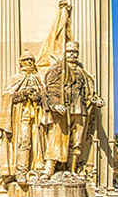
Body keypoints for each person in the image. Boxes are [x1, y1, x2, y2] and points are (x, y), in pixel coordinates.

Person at [42, 42, 104, 177]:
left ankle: (72, 169)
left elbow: (88, 90)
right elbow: (51, 88)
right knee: (56, 138)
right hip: (63, 110)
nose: (72, 54)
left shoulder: (82, 72)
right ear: (64, 53)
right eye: (69, 52)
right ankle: (49, 168)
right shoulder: (58, 69)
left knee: (77, 142)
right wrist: (55, 104)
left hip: (79, 109)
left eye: (75, 52)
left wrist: (95, 99)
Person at [0, 51, 46, 185]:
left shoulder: (38, 78)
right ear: (21, 62)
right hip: (21, 116)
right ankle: (21, 171)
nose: (30, 62)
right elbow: (8, 97)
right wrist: (23, 94)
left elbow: (44, 97)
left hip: (37, 116)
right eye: (27, 60)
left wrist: (37, 96)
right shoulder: (15, 78)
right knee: (25, 141)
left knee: (38, 143)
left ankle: (38, 169)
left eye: (31, 59)